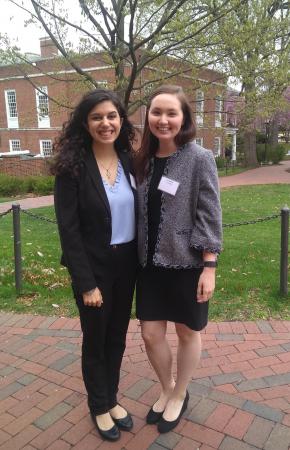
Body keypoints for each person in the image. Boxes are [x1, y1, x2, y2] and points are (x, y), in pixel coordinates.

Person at [135, 85, 222, 433]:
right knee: (150, 335)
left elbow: (210, 213)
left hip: (187, 263)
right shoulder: (140, 157)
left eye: (172, 113)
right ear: (148, 117)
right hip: (148, 264)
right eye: (157, 112)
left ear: (184, 117)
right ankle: (168, 389)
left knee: (187, 332)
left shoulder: (199, 158)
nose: (163, 119)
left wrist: (210, 266)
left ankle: (180, 393)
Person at [52, 89, 138, 442]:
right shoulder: (72, 167)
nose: (106, 123)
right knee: (95, 340)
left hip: (127, 266)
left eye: (112, 116)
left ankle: (112, 398)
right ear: (85, 123)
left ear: (121, 120)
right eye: (97, 117)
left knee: (117, 337)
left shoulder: (130, 159)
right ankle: (99, 406)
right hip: (94, 270)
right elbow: (68, 231)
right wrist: (86, 283)